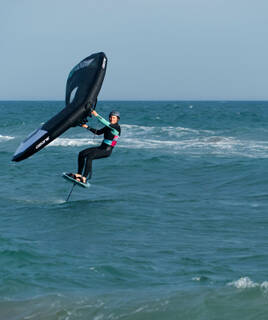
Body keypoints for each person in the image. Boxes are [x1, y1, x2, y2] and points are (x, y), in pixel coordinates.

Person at [68, 110, 121, 183]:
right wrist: (87, 127)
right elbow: (98, 132)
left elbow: (106, 123)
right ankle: (79, 174)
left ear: (118, 119)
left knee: (90, 157)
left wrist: (96, 114)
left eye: (114, 118)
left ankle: (84, 178)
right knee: (82, 154)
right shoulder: (108, 127)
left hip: (107, 150)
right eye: (111, 117)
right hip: (101, 147)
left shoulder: (116, 127)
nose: (112, 119)